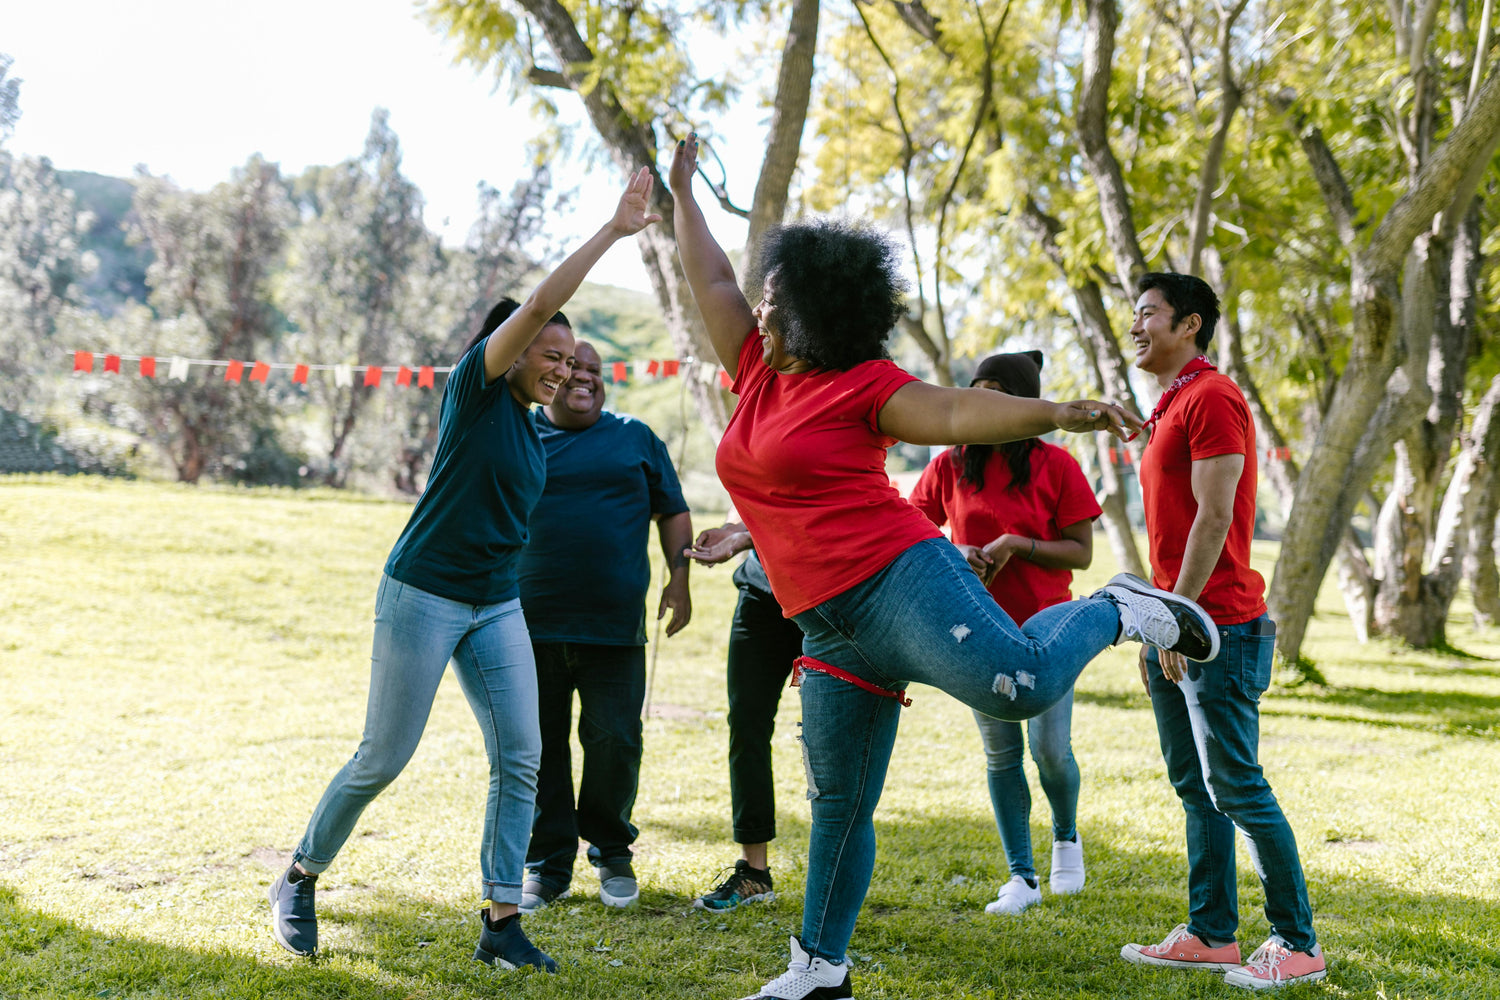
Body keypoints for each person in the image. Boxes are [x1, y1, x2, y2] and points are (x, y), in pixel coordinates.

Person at [668, 132, 1220, 1000]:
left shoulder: (864, 385)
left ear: (817, 312)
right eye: (762, 302)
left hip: (898, 583)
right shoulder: (754, 370)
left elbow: (964, 410)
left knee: (1025, 683)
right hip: (826, 624)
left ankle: (1121, 607)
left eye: (775, 303)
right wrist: (683, 193)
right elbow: (711, 282)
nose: (759, 313)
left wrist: (1063, 412)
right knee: (840, 807)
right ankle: (818, 968)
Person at [267, 168, 662, 973]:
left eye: (568, 358)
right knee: (384, 754)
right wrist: (612, 234)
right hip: (422, 595)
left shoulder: (530, 429)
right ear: (511, 349)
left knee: (521, 756)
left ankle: (500, 922)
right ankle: (299, 877)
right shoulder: (475, 392)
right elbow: (540, 306)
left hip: (495, 605)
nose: (558, 367)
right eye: (545, 352)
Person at [1116, 272, 1326, 989]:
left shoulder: (1213, 397)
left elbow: (1213, 515)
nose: (1136, 324)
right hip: (1175, 621)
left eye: (1149, 313)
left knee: (1236, 786)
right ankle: (1211, 934)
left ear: (1191, 324)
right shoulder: (1173, 402)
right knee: (1196, 786)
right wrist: (1160, 622)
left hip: (1217, 625)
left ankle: (1297, 944)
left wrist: (1178, 620)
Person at [908, 350, 1101, 917]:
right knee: (1001, 755)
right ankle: (1021, 876)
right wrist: (952, 550)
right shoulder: (950, 463)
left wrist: (1017, 543)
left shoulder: (1057, 465)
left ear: (1022, 402)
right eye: (976, 393)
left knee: (1051, 750)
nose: (983, 405)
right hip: (980, 625)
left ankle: (1065, 835)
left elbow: (1083, 553)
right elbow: (912, 525)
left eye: (997, 394)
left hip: (1047, 628)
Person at [517, 339, 694, 913]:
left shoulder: (635, 438)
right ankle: (547, 866)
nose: (584, 378)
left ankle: (612, 852)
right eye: (572, 368)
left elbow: (672, 508)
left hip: (614, 627)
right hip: (528, 624)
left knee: (616, 741)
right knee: (540, 748)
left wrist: (679, 577)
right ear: (554, 376)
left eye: (594, 370)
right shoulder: (520, 433)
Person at [684, 523, 805, 911]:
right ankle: (755, 873)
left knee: (829, 737)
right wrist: (737, 526)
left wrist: (744, 537)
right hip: (761, 595)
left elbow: (814, 509)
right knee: (747, 727)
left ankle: (834, 875)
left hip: (823, 597)